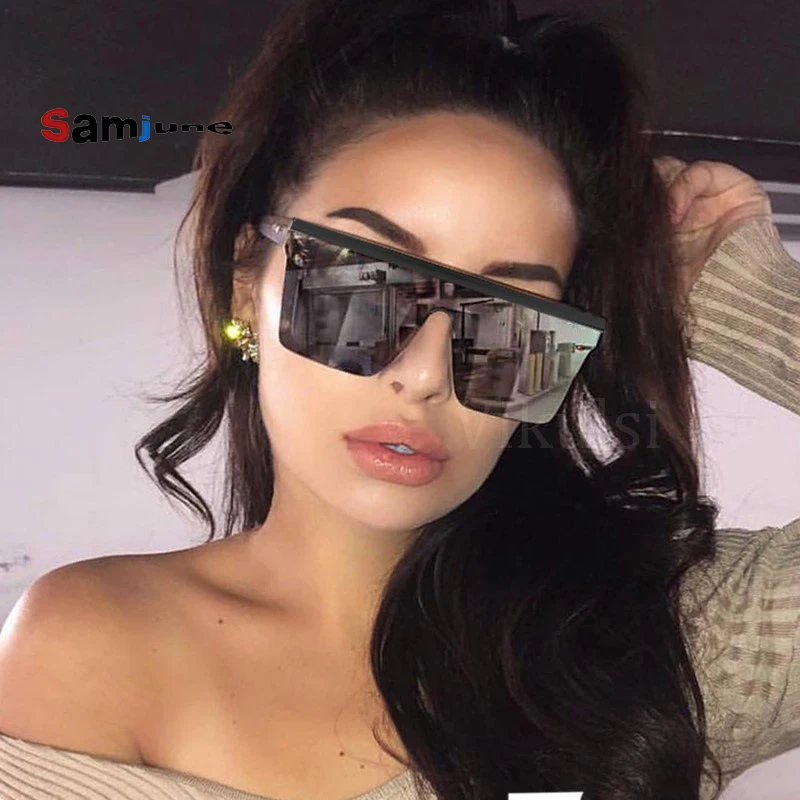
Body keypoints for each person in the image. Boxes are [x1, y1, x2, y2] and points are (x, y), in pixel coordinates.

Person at [0, 1, 798, 799]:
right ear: (247, 285)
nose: (425, 373)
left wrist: (736, 293)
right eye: (365, 284)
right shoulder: (90, 647)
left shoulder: (671, 635)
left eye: (508, 317)